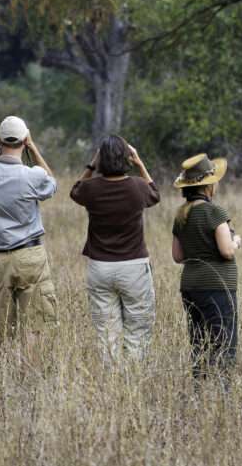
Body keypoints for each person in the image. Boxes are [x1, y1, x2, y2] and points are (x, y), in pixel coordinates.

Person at [0, 115, 58, 350]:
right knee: (35, 329)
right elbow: (52, 183)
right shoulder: (33, 175)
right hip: (30, 256)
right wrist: (34, 149)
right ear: (25, 139)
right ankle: (30, 384)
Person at [70, 135, 160, 363]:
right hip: (134, 268)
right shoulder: (138, 187)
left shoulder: (91, 189)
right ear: (126, 158)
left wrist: (92, 164)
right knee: (138, 330)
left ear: (101, 159)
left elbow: (75, 191)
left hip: (100, 268)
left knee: (106, 334)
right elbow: (155, 194)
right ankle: (131, 382)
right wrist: (139, 163)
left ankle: (111, 382)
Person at [171, 154, 242, 379]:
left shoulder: (181, 214)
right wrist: (237, 240)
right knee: (223, 343)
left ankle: (199, 388)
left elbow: (177, 256)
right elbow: (227, 251)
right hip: (218, 286)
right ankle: (221, 393)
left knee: (198, 342)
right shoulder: (215, 212)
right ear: (208, 185)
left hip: (191, 286)